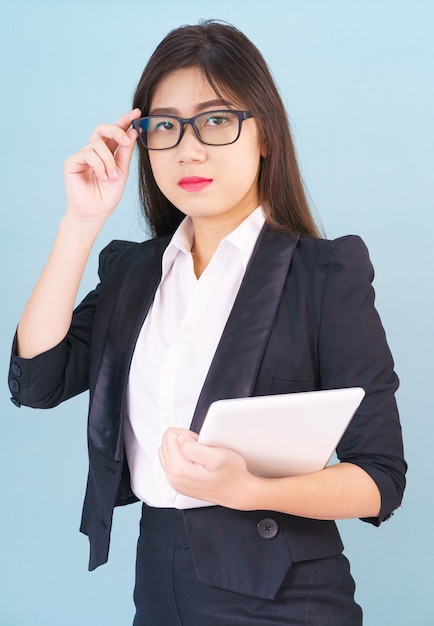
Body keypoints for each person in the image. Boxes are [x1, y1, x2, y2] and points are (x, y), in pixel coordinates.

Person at [8, 20, 406, 626]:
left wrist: (252, 491)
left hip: (287, 597)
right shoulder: (132, 273)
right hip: (159, 580)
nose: (188, 148)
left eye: (216, 120)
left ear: (264, 134)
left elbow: (380, 479)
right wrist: (79, 224)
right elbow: (34, 382)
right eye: (164, 125)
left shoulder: (325, 274)